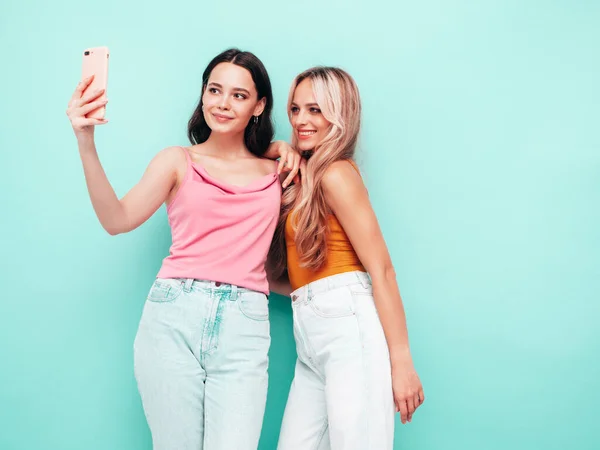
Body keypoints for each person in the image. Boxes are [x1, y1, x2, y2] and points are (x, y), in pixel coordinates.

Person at [66, 48, 300, 450]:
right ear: (203, 95)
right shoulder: (177, 161)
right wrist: (86, 141)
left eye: (239, 95)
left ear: (259, 105)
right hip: (173, 316)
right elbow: (116, 220)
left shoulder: (277, 173)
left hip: (245, 324)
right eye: (215, 90)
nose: (223, 103)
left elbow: (276, 261)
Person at [268, 66, 425, 450]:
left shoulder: (336, 174)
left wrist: (401, 361)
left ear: (339, 116)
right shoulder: (305, 178)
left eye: (315, 110)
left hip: (348, 329)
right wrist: (276, 148)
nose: (302, 120)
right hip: (311, 336)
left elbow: (381, 270)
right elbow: (297, 280)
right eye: (295, 109)